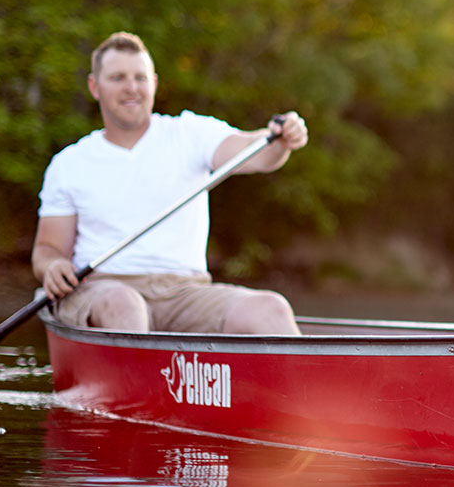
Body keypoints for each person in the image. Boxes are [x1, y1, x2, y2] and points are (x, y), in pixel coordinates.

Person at [31, 31, 308, 335]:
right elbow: (47, 249)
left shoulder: (188, 134)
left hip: (185, 293)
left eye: (140, 77)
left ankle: (303, 383)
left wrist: (281, 138)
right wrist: (53, 267)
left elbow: (257, 153)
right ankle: (136, 379)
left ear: (154, 84)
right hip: (103, 289)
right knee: (124, 305)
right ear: (94, 86)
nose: (131, 87)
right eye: (118, 78)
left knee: (271, 309)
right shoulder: (70, 162)